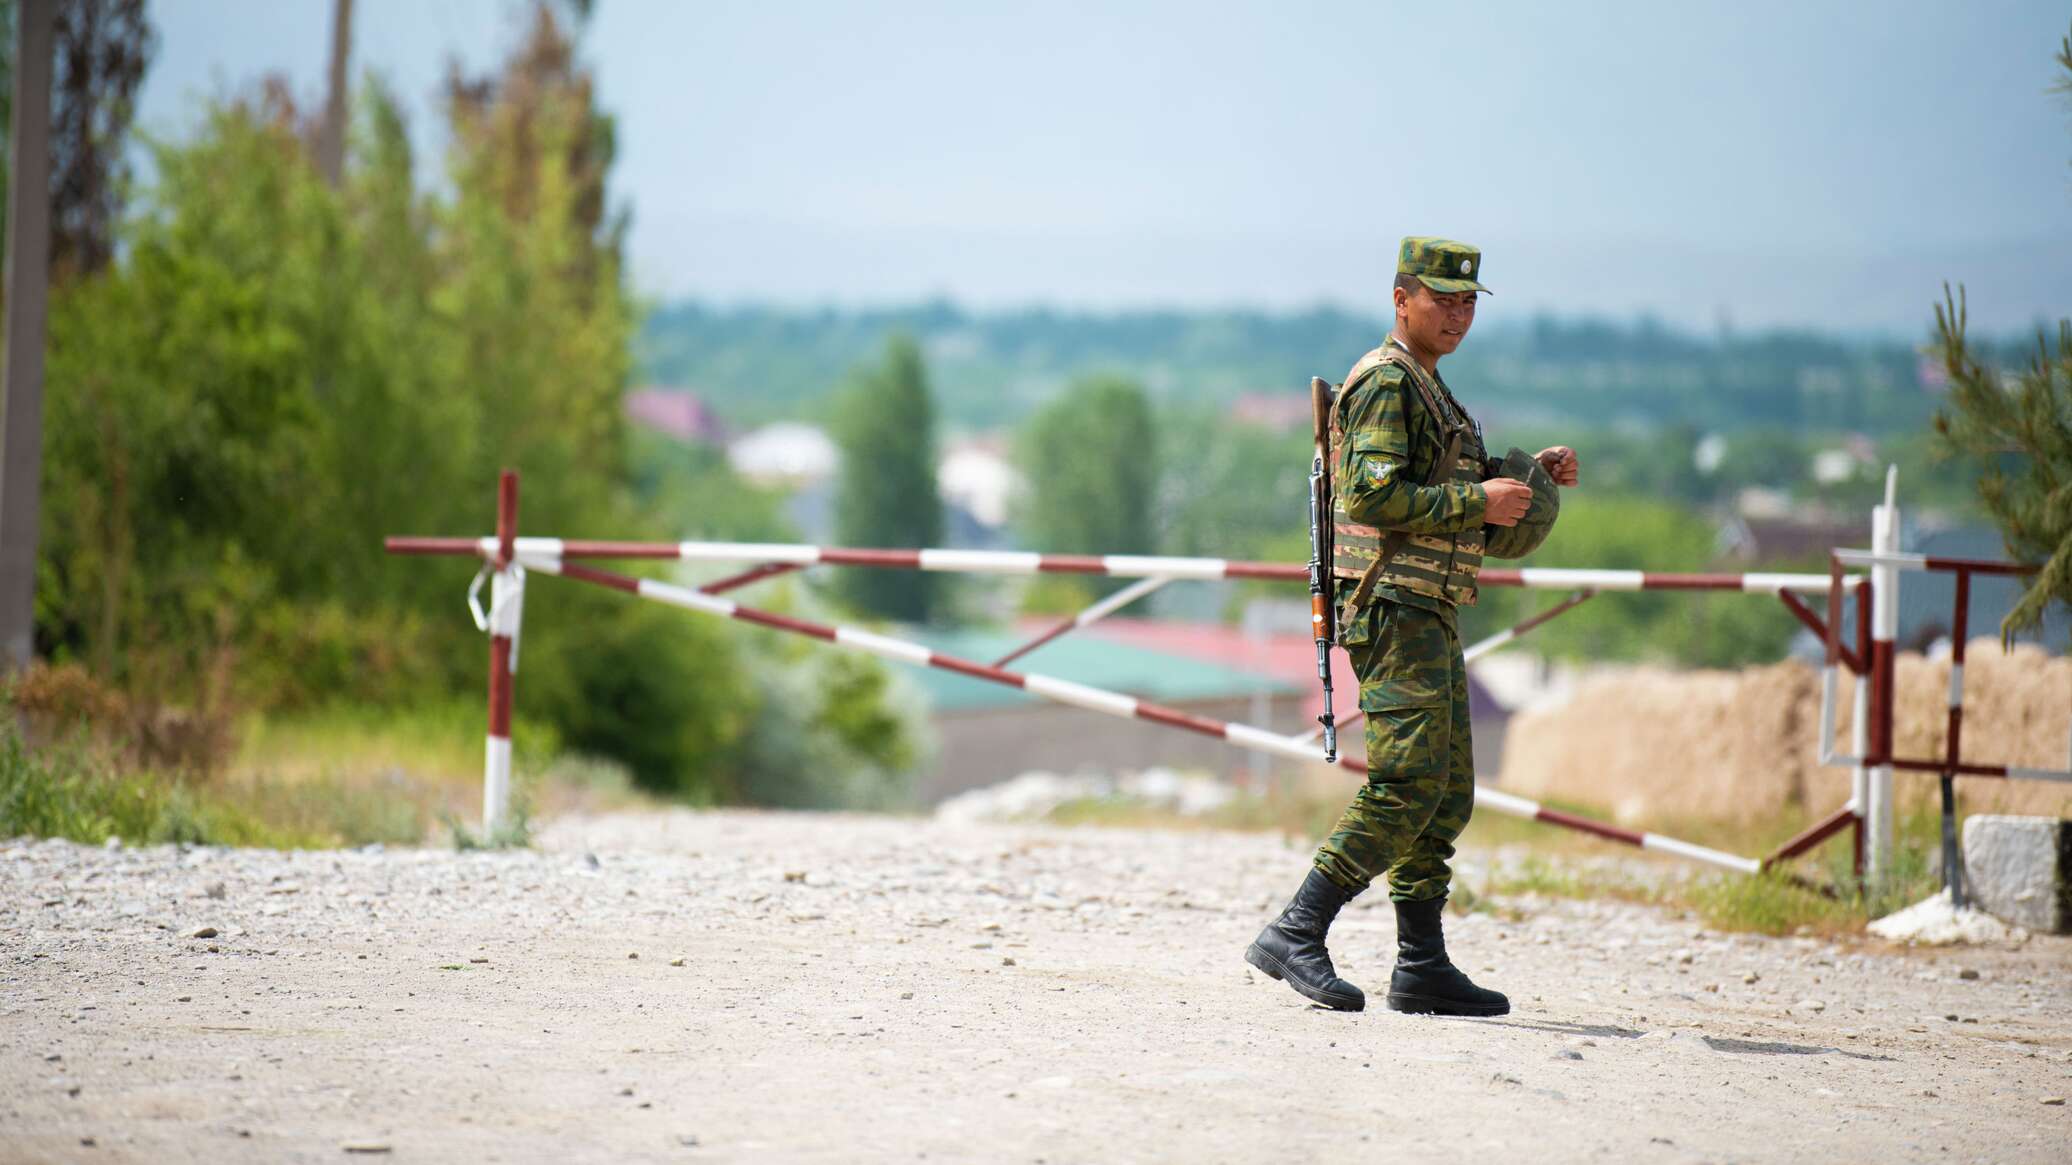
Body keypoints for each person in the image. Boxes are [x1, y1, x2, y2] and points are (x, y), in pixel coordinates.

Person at [1245, 237, 1579, 1015]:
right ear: (1402, 299)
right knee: (1405, 785)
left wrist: (1522, 480)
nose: (1458, 314)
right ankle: (1297, 928)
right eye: (1443, 299)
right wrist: (1477, 502)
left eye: (1468, 302)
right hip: (1392, 609)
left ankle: (1420, 963)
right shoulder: (1387, 382)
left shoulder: (1431, 388)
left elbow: (1449, 489)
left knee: (1445, 790)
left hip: (1426, 607)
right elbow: (1369, 496)